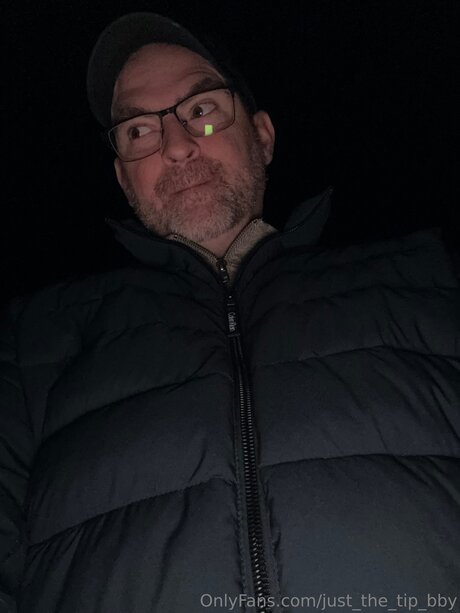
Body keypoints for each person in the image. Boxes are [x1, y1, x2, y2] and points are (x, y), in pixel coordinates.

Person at [1, 12, 459, 613]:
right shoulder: (31, 343)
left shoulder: (431, 278)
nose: (177, 145)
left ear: (263, 137)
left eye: (202, 109)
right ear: (123, 178)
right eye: (138, 130)